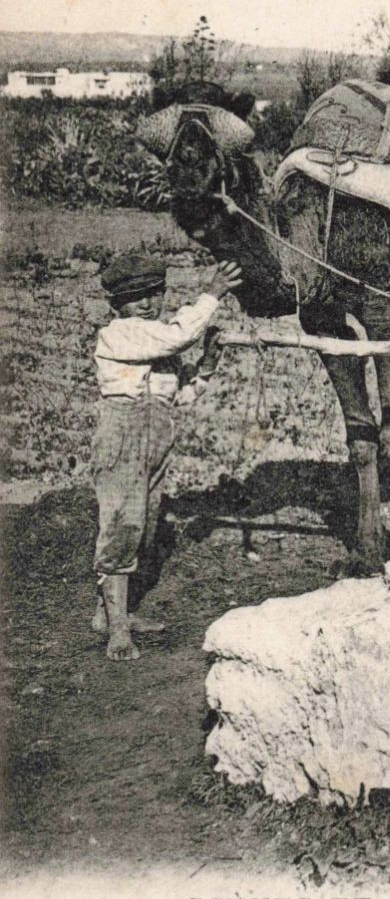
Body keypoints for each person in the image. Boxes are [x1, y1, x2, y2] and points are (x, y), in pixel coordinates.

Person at [91, 254, 241, 661]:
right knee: (123, 525)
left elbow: (182, 394)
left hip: (157, 436)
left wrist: (208, 363)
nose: (146, 304)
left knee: (145, 526)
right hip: (122, 436)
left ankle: (114, 613)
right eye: (135, 297)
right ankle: (117, 630)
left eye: (154, 294)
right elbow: (177, 336)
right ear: (116, 306)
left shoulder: (157, 340)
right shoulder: (120, 334)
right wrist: (211, 295)